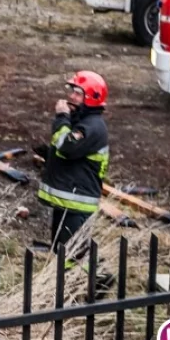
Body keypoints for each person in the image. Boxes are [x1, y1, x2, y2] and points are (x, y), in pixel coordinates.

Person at [36, 71, 110, 254]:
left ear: (91, 98)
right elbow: (73, 157)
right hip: (68, 201)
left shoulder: (93, 126)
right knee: (61, 252)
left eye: (78, 93)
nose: (72, 97)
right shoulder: (81, 120)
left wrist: (62, 118)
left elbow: (66, 147)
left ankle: (93, 273)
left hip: (77, 205)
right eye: (72, 91)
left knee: (73, 256)